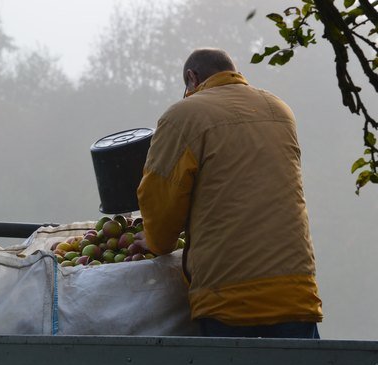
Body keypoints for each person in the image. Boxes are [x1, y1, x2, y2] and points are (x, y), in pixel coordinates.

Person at [137, 48, 322, 338]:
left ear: (191, 78)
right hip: (295, 292)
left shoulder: (183, 115)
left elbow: (161, 195)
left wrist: (155, 242)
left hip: (228, 298)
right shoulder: (279, 111)